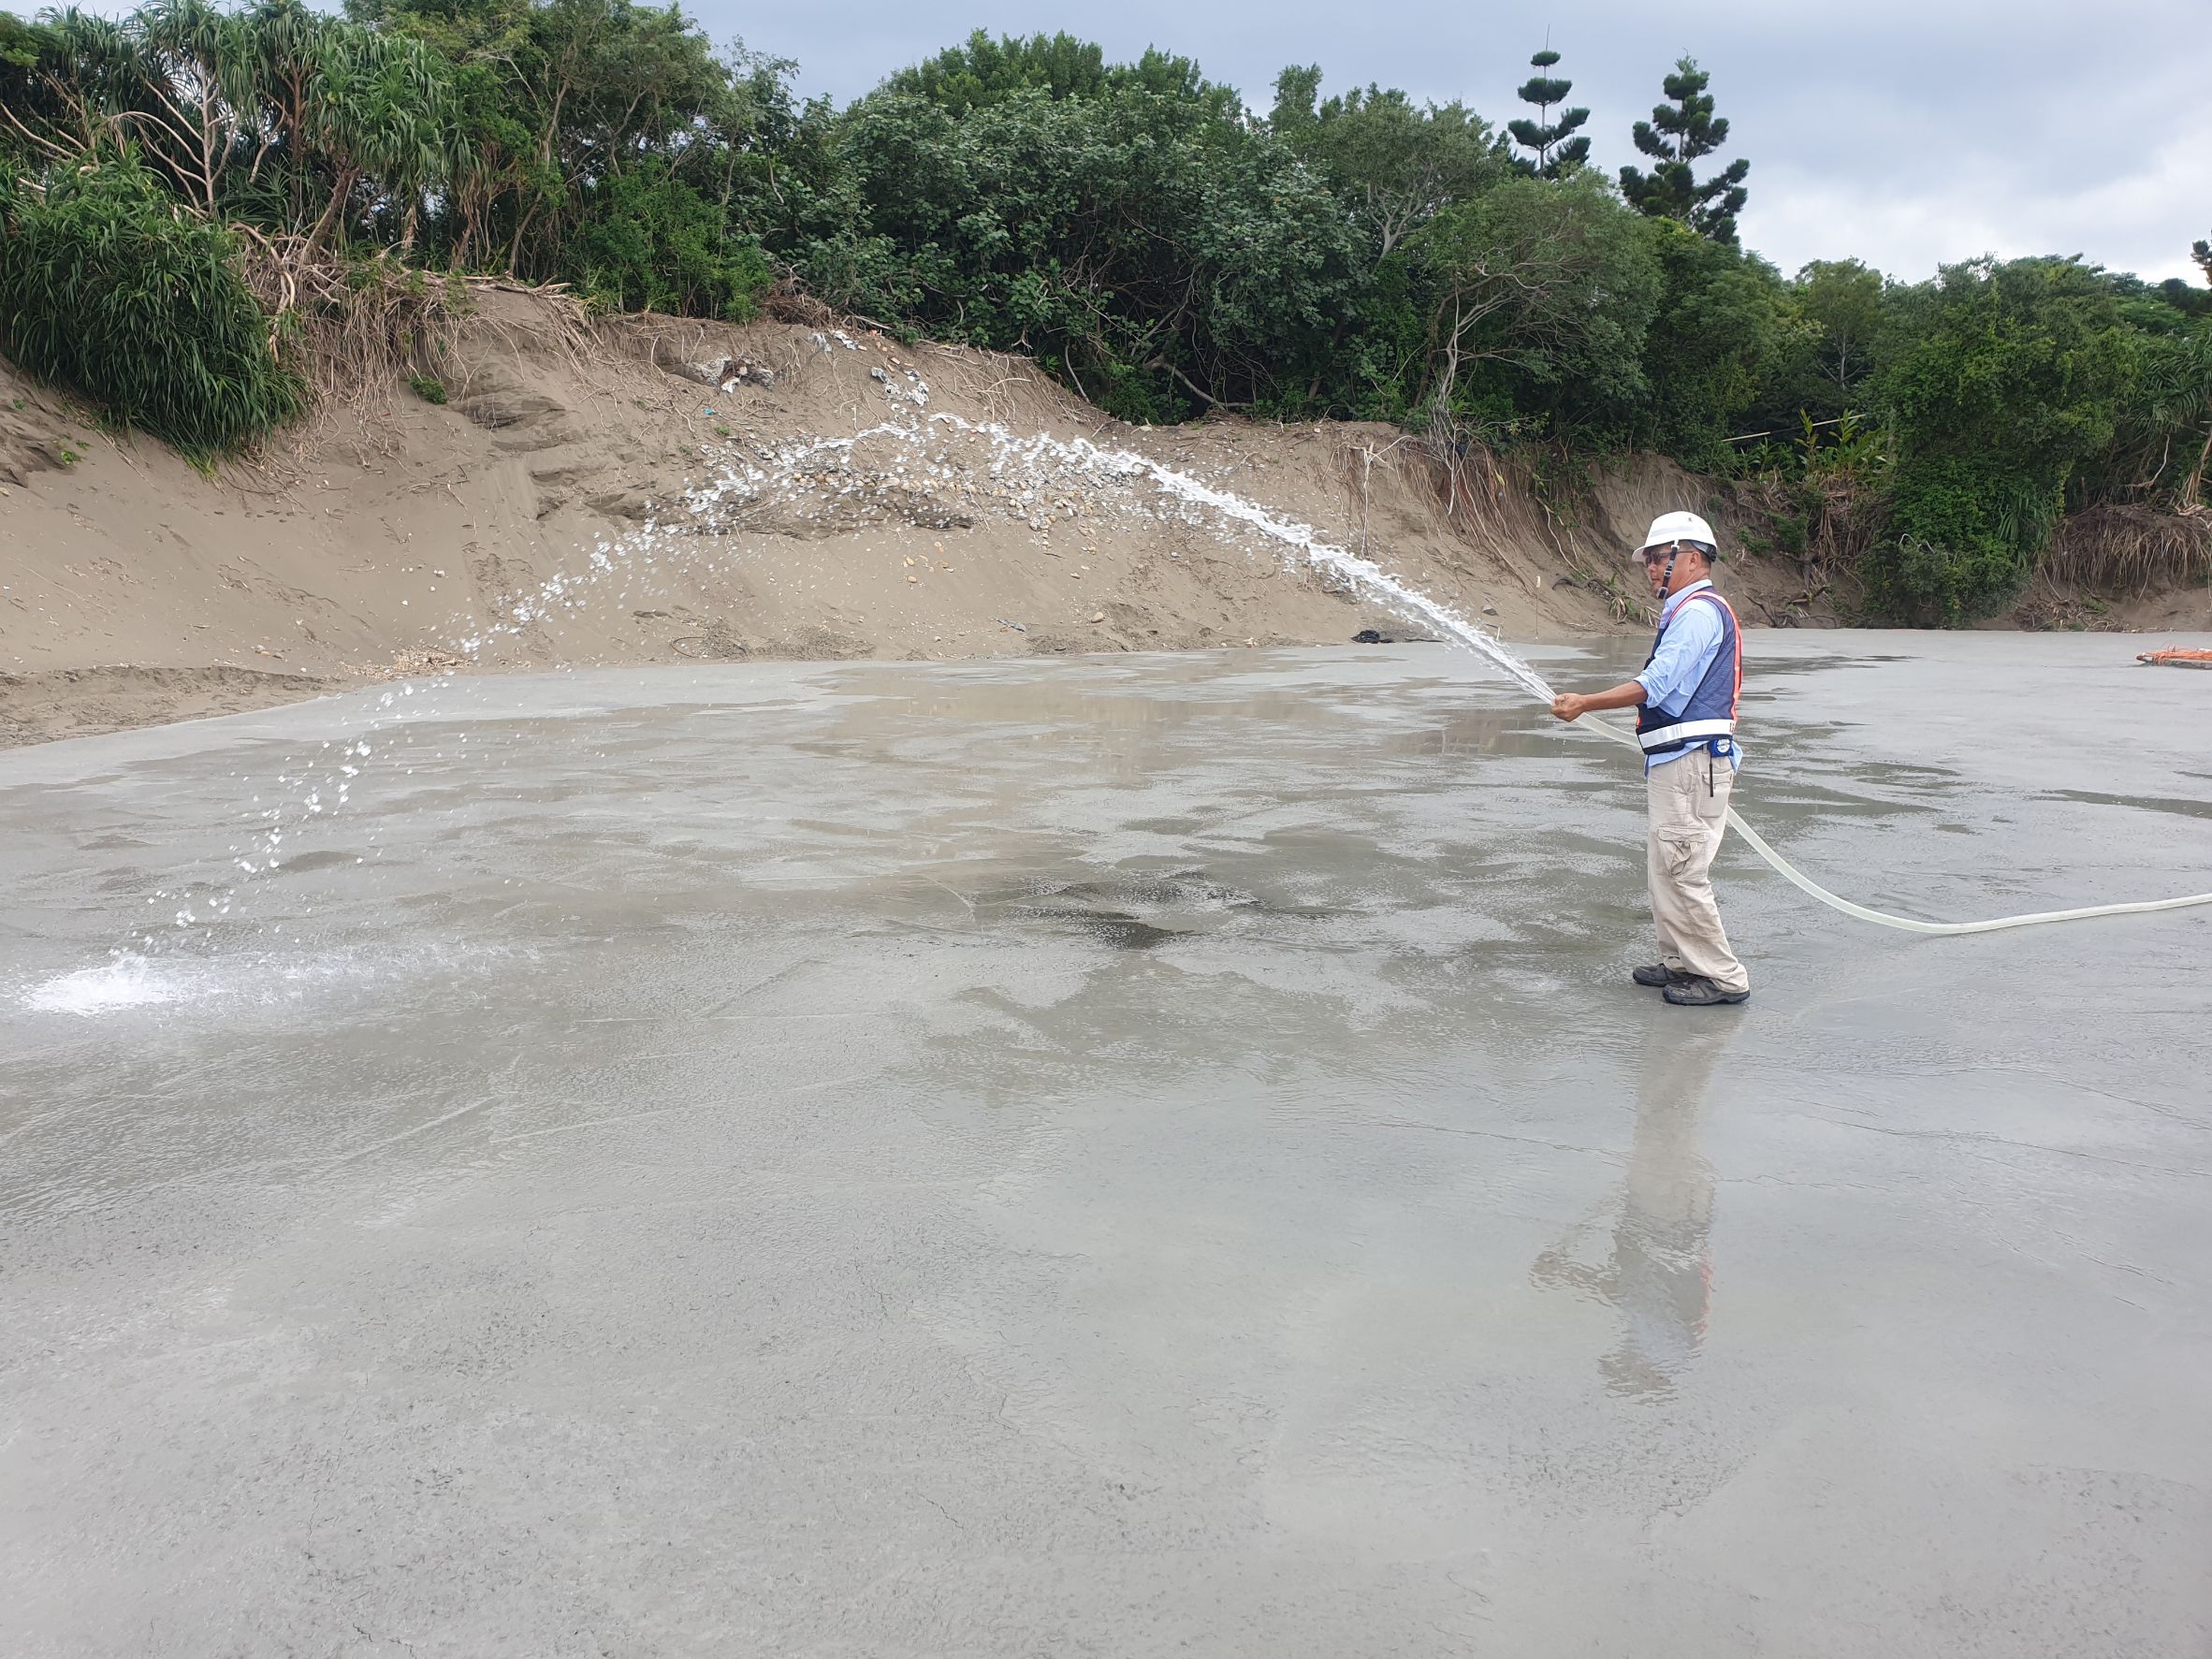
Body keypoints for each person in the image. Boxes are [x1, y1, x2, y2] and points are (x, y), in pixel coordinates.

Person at [1549, 511, 1750, 1007]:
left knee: (1681, 868)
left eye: (1659, 558)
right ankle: (1681, 962)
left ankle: (1722, 977)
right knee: (1666, 866)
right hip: (1680, 763)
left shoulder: (1698, 613)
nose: (1650, 568)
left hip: (1692, 764)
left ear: (1692, 559)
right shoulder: (1688, 612)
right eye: (1649, 560)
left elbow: (1656, 684)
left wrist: (1585, 702)